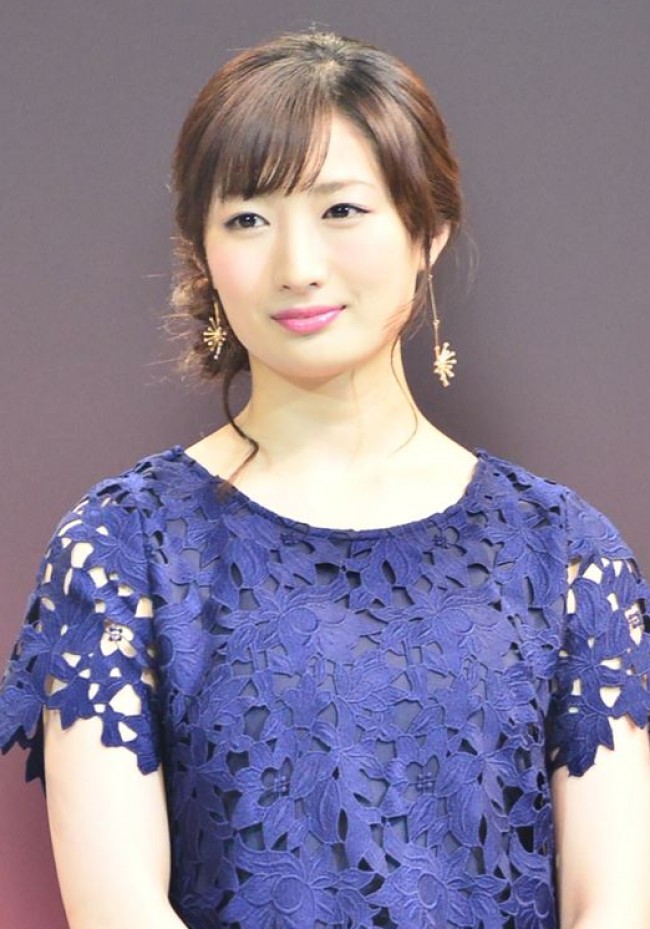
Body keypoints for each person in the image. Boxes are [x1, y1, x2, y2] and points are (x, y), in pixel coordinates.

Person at [1, 28, 649, 929]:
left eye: (340, 209)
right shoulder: (122, 546)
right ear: (202, 254)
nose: (297, 265)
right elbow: (116, 906)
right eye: (248, 219)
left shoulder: (566, 551)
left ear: (427, 231)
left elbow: (613, 901)